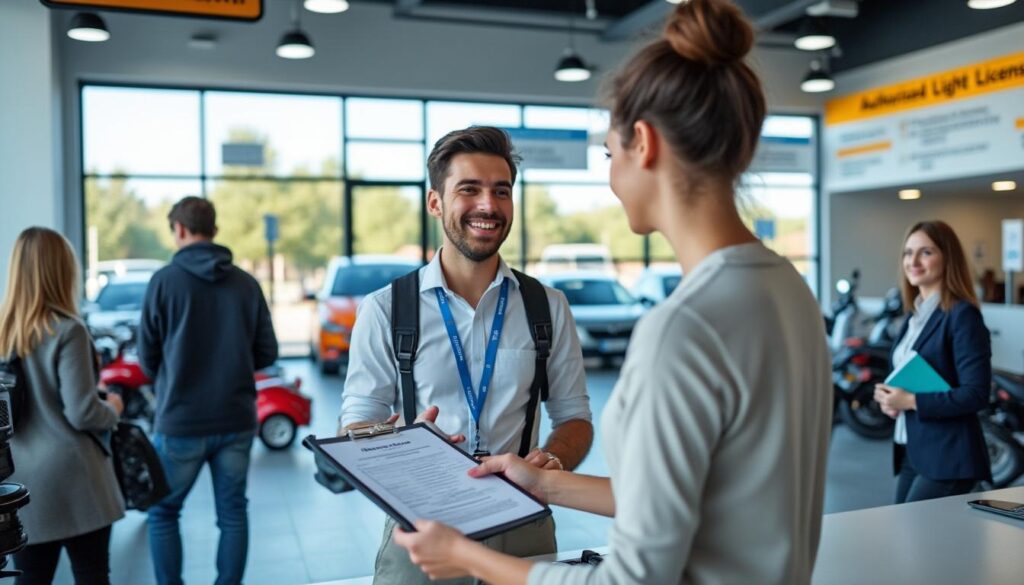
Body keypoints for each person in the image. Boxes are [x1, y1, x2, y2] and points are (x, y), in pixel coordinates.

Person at [391, 1, 833, 583]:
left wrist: (468, 557)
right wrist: (542, 481)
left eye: (608, 153)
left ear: (642, 145)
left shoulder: (684, 328)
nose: (611, 176)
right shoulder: (789, 290)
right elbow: (699, 500)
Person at [340, 125, 594, 585]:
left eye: (501, 191)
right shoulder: (385, 309)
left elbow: (575, 417)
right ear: (435, 202)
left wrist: (551, 463)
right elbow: (355, 426)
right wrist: (398, 438)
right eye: (469, 190)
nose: (488, 206)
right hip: (422, 529)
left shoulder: (547, 307)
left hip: (525, 527)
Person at [138, 197, 278, 585]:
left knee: (164, 512)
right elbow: (268, 352)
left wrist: (171, 379)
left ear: (179, 230)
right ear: (214, 231)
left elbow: (146, 355)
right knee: (233, 513)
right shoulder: (246, 284)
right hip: (236, 419)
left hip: (180, 420)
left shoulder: (163, 282)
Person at [2, 227, 125, 584]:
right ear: (61, 270)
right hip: (74, 479)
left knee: (32, 578)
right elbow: (83, 412)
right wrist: (114, 407)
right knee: (91, 574)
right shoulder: (67, 330)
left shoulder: (2, 332)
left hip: (18, 480)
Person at [873, 220, 991, 503]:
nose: (913, 261)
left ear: (947, 258)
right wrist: (891, 398)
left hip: (948, 456)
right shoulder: (913, 318)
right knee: (905, 538)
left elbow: (975, 394)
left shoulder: (962, 316)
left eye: (925, 252)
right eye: (907, 252)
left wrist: (911, 401)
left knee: (916, 540)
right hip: (913, 450)